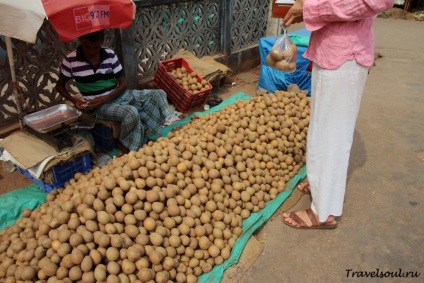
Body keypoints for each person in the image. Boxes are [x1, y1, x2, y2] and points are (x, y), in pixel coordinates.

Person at [281, 0, 395, 229]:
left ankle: (324, 213)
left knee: (333, 135)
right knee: (322, 129)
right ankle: (322, 185)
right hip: (331, 51)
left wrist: (311, 9)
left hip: (346, 55)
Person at [55, 30, 172, 153]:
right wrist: (75, 100)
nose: (92, 51)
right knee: (131, 112)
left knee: (159, 94)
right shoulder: (71, 61)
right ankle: (123, 143)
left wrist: (106, 97)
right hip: (99, 107)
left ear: (101, 42)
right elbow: (59, 86)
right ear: (80, 40)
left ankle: (159, 131)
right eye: (88, 47)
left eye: (96, 47)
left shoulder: (109, 54)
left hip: (120, 96)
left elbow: (123, 83)